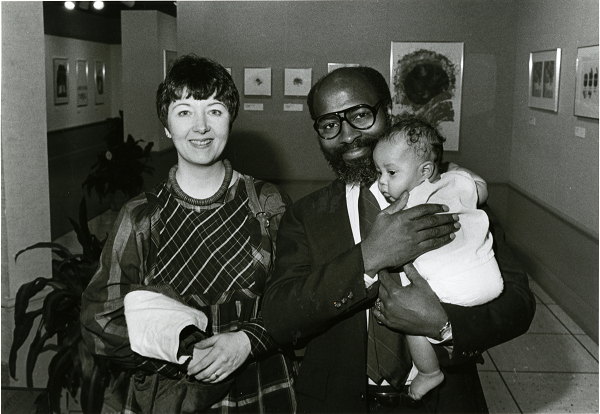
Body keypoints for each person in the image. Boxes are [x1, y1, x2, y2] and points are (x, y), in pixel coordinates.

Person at [262, 66, 535, 413]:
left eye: (360, 115)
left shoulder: (447, 188)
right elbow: (279, 314)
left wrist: (444, 325)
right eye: (330, 124)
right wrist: (368, 258)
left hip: (444, 399)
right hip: (341, 401)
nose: (347, 135)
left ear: (388, 111)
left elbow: (519, 303)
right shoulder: (305, 215)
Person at [81, 54, 296, 413]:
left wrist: (250, 340)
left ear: (231, 119)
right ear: (166, 126)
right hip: (171, 395)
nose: (201, 127)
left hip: (258, 387)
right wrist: (183, 351)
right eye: (184, 112)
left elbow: (295, 298)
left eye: (214, 110)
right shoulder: (141, 216)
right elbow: (99, 319)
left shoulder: (267, 202)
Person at [372, 114, 504, 401]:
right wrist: (458, 172)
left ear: (424, 170)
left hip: (453, 287)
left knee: (407, 312)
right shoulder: (457, 181)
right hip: (491, 280)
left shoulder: (406, 204)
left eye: (390, 173)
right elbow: (480, 187)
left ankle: (429, 372)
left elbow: (389, 251)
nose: (382, 182)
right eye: (379, 172)